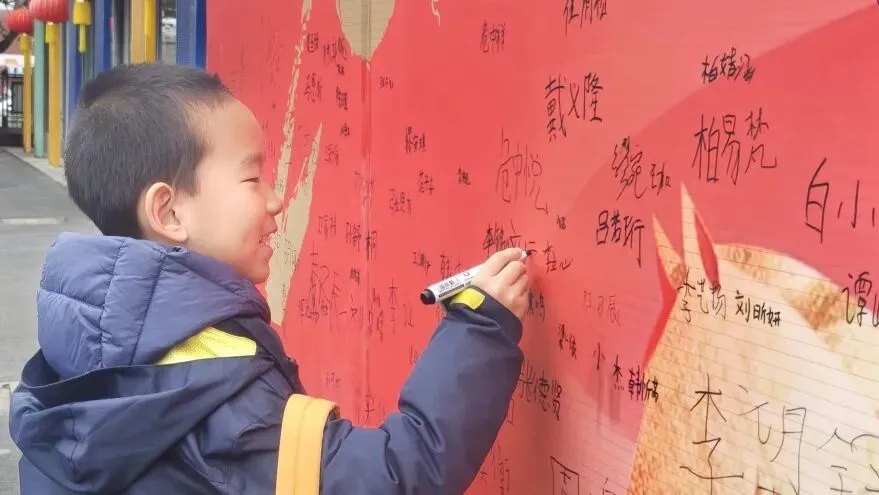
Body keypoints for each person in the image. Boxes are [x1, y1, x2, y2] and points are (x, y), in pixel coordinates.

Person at [8, 63, 530, 494]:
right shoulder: (214, 390)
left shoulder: (95, 341)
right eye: (253, 178)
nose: (276, 200)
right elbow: (395, 477)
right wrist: (480, 326)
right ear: (168, 212)